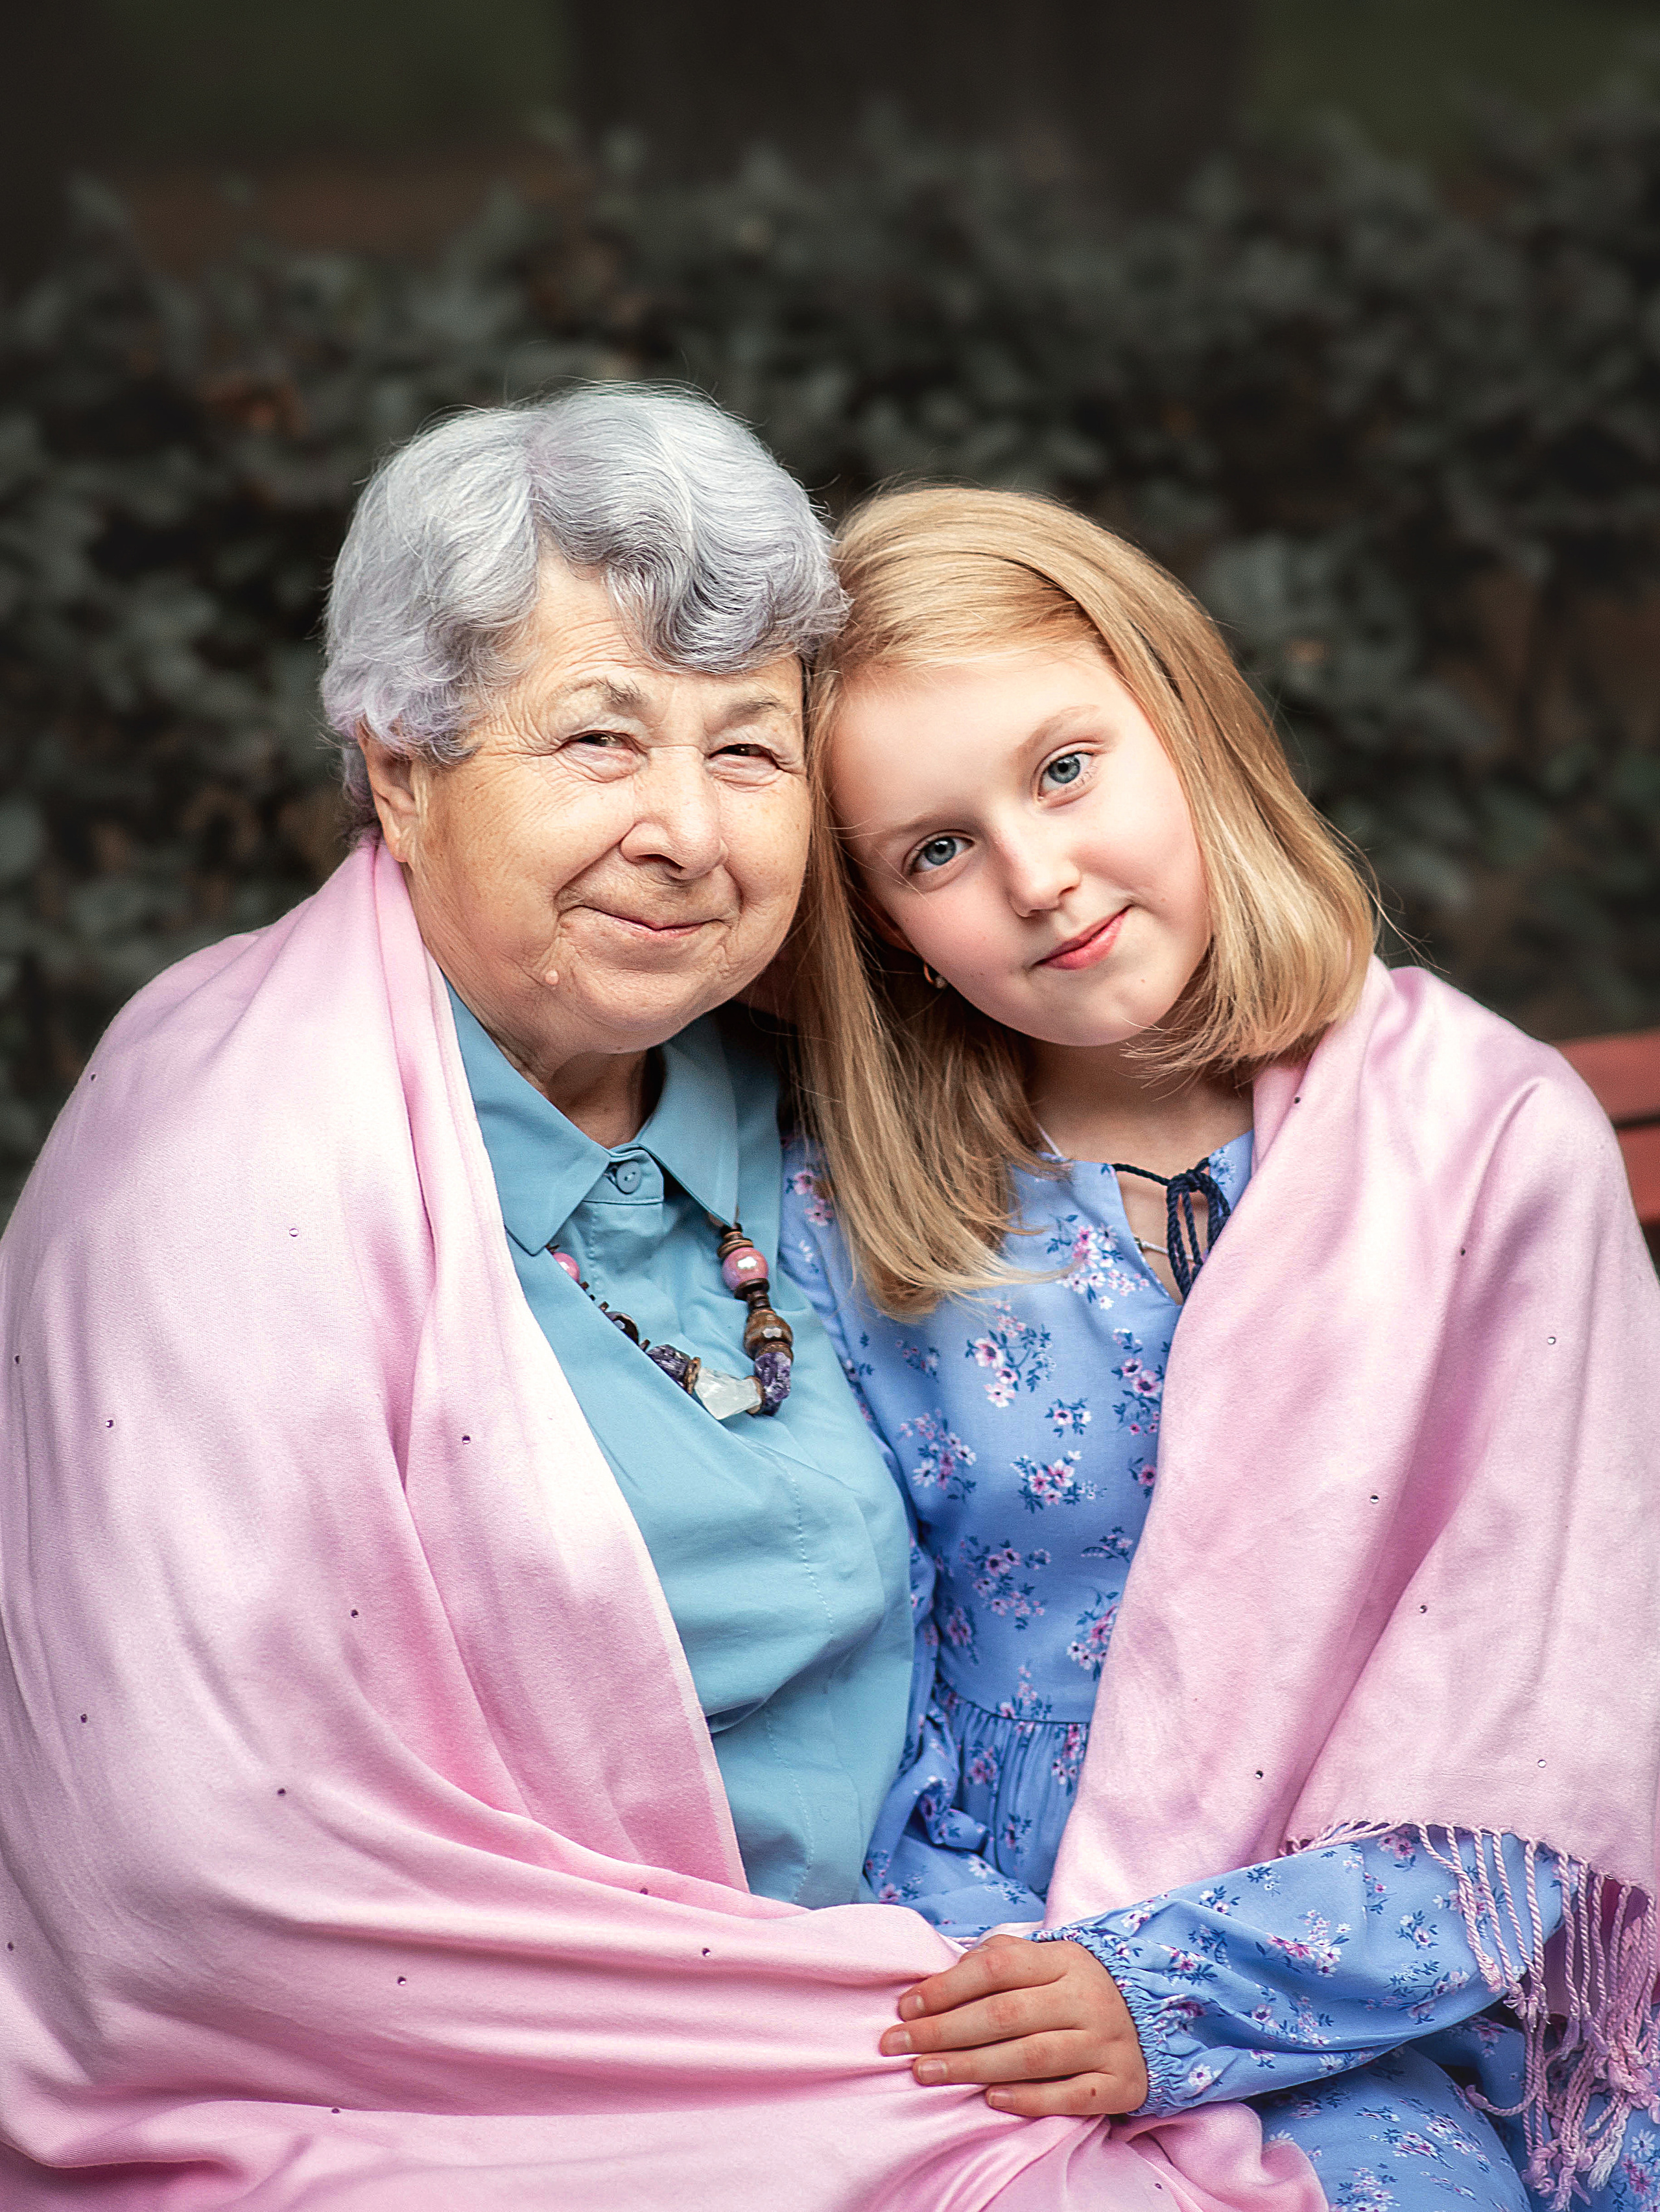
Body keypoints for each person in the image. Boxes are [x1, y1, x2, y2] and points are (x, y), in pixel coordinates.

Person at [0, 389, 1328, 2212]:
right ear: (400, 764)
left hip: (977, 1958)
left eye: (749, 752)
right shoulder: (231, 1173)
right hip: (523, 2078)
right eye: (599, 742)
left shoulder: (821, 1088)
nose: (688, 833)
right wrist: (843, 2023)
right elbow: (207, 1876)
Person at [780, 487, 1660, 2212]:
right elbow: (842, 1690)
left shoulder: (1486, 1146)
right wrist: (1014, 1989)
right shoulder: (851, 1219)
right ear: (884, 919)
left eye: (1061, 767)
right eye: (934, 848)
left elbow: (1545, 1727)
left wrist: (1177, 1995)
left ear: (1180, 721)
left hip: (1425, 2000)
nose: (1038, 875)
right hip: (987, 1992)